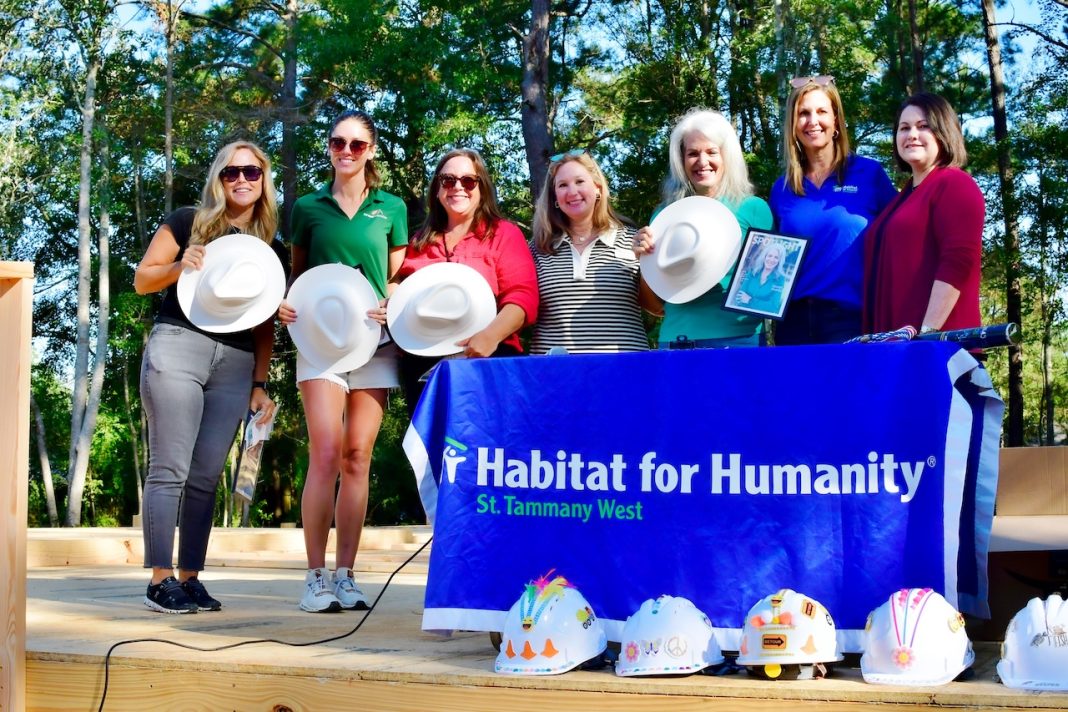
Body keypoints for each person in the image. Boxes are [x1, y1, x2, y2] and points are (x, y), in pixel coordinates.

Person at [134, 140, 286, 613]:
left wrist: (259, 384)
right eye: (231, 172)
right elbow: (143, 279)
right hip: (178, 344)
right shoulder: (188, 222)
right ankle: (160, 580)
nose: (242, 179)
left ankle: (190, 577)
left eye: (252, 172)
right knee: (170, 468)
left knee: (205, 475)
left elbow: (265, 324)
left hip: (237, 362)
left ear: (264, 182)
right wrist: (182, 265)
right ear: (218, 179)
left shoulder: (271, 249)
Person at [278, 110, 409, 613]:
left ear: (371, 149)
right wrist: (285, 304)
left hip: (374, 344)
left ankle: (347, 575)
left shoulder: (391, 207)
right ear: (329, 148)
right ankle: (314, 577)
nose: (346, 151)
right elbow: (297, 276)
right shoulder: (307, 207)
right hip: (319, 343)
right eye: (338, 142)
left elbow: (393, 277)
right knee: (327, 452)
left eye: (357, 144)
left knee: (358, 458)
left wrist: (391, 302)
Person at [380, 148, 538, 415]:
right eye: (448, 180)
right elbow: (396, 284)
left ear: (482, 188)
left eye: (468, 181)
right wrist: (391, 305)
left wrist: (491, 336)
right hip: (421, 364)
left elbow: (523, 297)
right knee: (432, 454)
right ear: (438, 188)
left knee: (486, 452)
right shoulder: (419, 242)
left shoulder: (503, 234)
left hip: (488, 359)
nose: (458, 187)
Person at [770, 75, 898, 344]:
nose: (812, 121)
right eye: (803, 113)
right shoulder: (781, 188)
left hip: (854, 318)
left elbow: (901, 239)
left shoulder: (869, 174)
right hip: (793, 322)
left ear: (836, 121)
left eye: (821, 112)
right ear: (793, 125)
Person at [634, 108, 774, 348]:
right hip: (677, 342)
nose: (702, 162)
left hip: (741, 340)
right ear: (681, 159)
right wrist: (642, 259)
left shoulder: (753, 209)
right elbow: (653, 304)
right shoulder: (664, 215)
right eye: (692, 153)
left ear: (726, 156)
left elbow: (773, 283)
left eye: (712, 152)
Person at [863, 93, 984, 335]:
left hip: (937, 347)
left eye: (923, 126)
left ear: (943, 131)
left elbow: (958, 260)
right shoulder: (902, 198)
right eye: (904, 128)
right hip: (895, 346)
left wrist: (928, 333)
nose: (912, 135)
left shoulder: (954, 183)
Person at [529, 150, 655, 353]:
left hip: (625, 372)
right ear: (555, 197)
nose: (572, 192)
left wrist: (648, 264)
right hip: (555, 377)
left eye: (580, 181)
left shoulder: (634, 240)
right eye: (562, 185)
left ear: (597, 188)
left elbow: (656, 308)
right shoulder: (537, 248)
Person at [734, 241, 787, 314]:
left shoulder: (780, 279)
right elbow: (739, 297)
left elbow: (773, 307)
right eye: (770, 256)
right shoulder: (751, 272)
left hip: (759, 317)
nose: (771, 260)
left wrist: (750, 300)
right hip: (740, 311)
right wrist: (761, 305)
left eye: (776, 257)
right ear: (765, 256)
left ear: (779, 261)